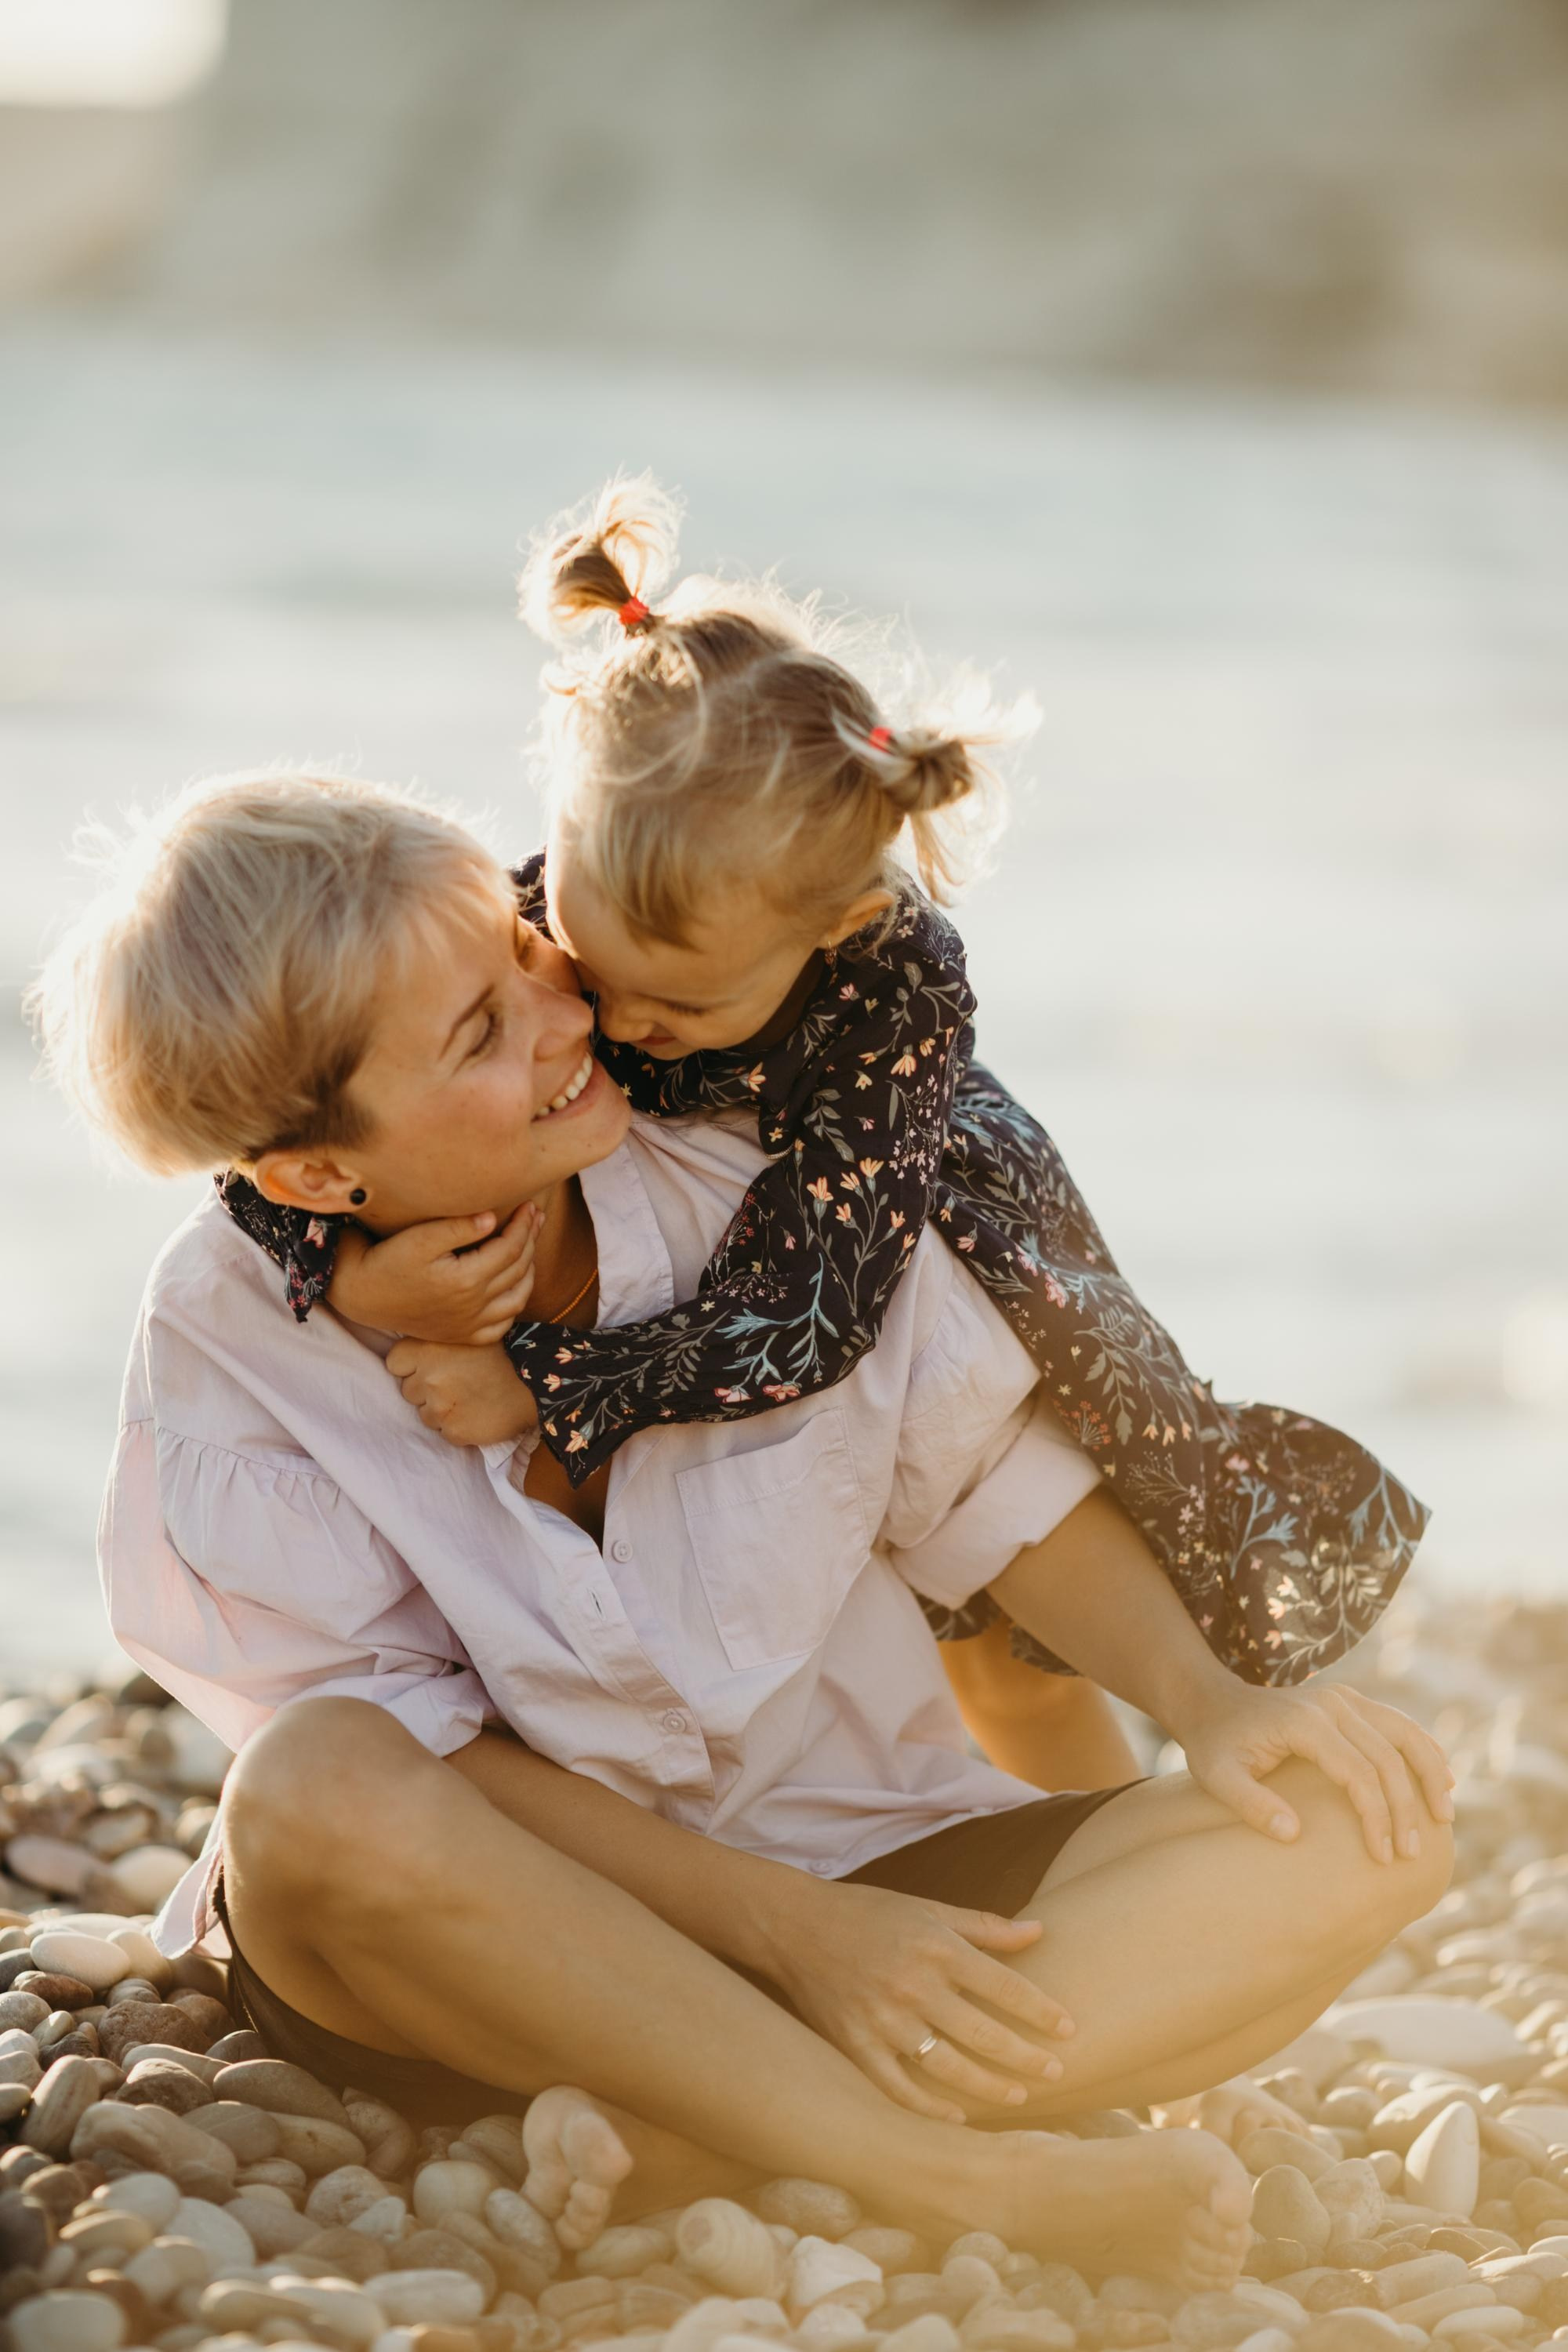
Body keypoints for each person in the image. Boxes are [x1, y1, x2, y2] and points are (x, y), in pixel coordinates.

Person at [34, 769, 1454, 2286]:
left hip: (874, 1864)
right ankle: (945, 2167)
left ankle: (712, 2138)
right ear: (316, 1174)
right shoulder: (228, 1341)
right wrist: (798, 1939)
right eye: (481, 1034)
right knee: (311, 1782)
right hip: (493, 1966)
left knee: (1363, 1822)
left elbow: (989, 1487)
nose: (567, 1016)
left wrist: (1213, 1704)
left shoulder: (766, 1181)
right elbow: (423, 1766)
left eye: (522, 952)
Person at [216, 477, 1429, 1797]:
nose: (601, 1020)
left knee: (1003, 1631)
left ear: (833, 927)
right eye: (571, 952)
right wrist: (340, 1266)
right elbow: (313, 1108)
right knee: (895, 1625)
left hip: (908, 1202)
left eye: (676, 1007)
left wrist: (557, 1387)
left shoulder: (890, 990)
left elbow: (811, 1310)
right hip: (742, 1246)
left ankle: (1124, 1834)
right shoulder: (590, 884)